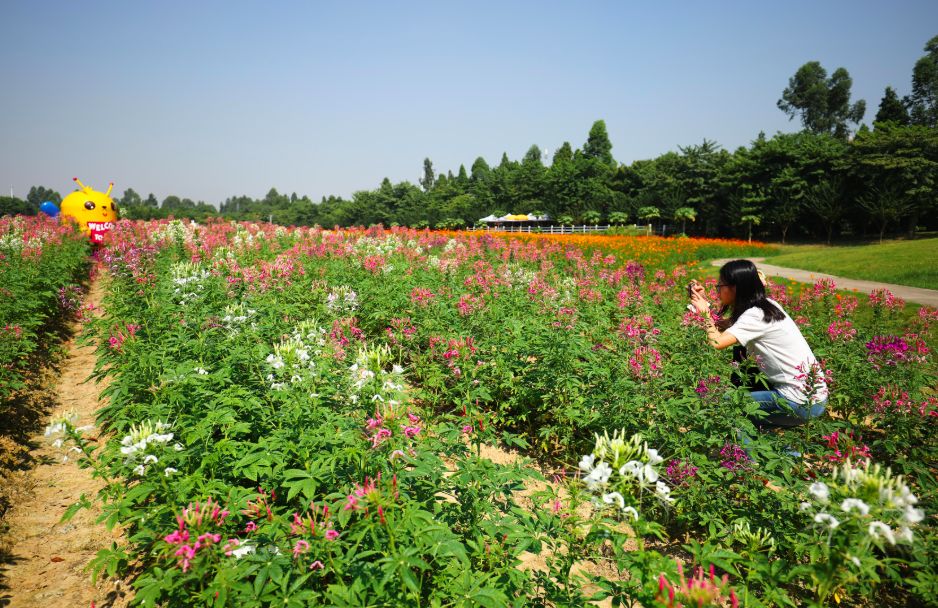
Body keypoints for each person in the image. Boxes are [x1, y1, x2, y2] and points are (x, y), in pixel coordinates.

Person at [688, 260, 827, 426]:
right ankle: (780, 450)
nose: (717, 289)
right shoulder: (766, 306)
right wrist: (704, 301)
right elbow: (721, 326)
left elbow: (716, 341)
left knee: (726, 404)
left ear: (735, 288)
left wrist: (703, 314)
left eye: (720, 285)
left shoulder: (754, 316)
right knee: (752, 414)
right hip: (814, 396)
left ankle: (746, 452)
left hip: (798, 401)